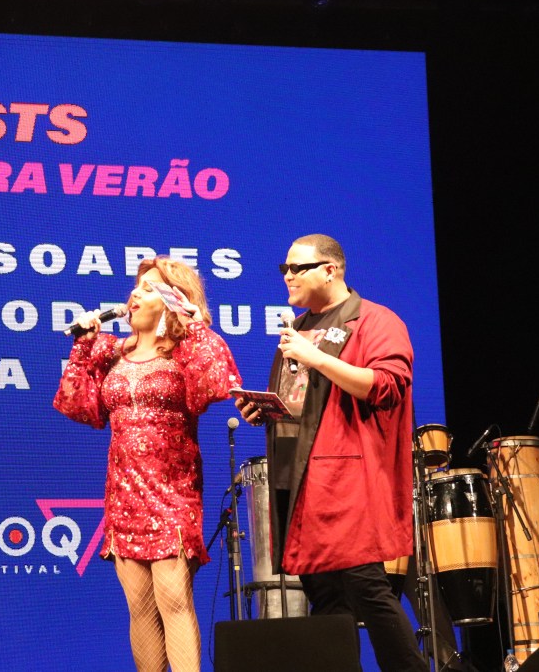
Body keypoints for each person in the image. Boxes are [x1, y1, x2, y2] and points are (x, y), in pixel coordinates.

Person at [234, 234, 426, 671]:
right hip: (301, 479)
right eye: (283, 268)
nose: (287, 276)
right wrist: (266, 410)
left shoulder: (375, 320)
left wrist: (317, 358)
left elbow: (388, 386)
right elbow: (305, 403)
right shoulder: (300, 327)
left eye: (297, 268)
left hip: (348, 479)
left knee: (366, 586)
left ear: (329, 270)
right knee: (323, 596)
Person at [53, 256, 240, 672]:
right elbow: (76, 405)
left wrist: (193, 325)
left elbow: (216, 385)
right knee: (139, 606)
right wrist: (83, 345)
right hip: (124, 493)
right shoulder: (112, 351)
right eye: (136, 287)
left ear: (175, 300)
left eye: (149, 288)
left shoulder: (186, 349)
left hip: (172, 491)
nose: (135, 295)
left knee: (173, 599)